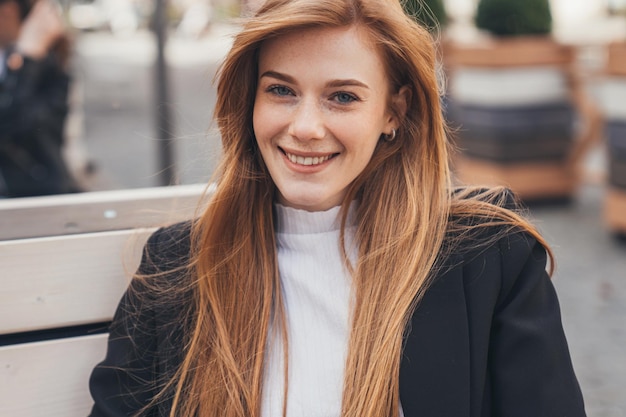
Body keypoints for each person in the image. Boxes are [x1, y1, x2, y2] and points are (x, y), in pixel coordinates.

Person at [88, 0, 586, 416]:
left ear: (395, 111)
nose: (305, 126)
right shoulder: (176, 267)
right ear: (249, 101)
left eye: (342, 97)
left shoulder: (486, 256)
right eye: (281, 90)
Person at [0, 0, 79, 197]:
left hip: (32, 202)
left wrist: (29, 60)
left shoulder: (49, 68)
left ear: (9, 11)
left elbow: (20, 128)